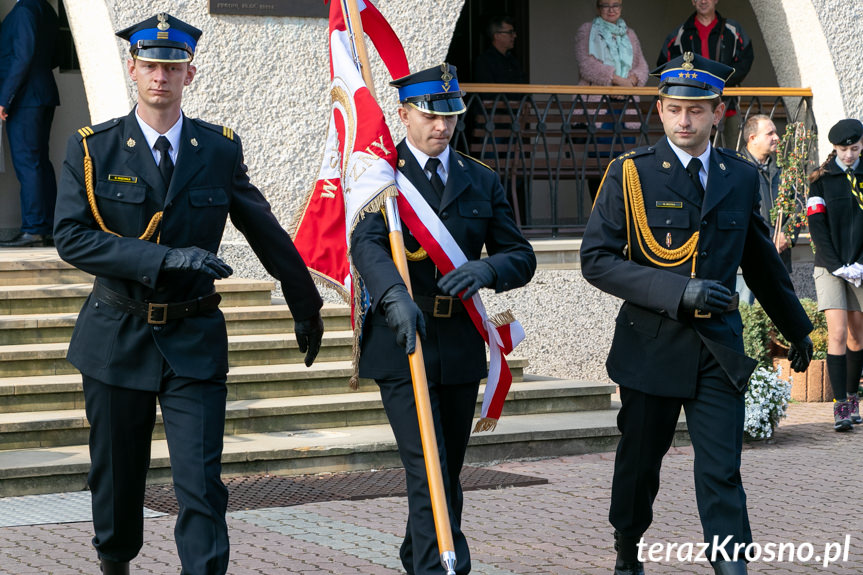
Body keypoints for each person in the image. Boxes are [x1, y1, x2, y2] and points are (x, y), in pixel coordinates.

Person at [53, 13, 325, 575]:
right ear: (132, 69)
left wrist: (306, 301)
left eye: (172, 67)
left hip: (193, 338)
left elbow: (265, 230)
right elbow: (72, 237)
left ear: (190, 74)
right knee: (116, 477)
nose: (160, 76)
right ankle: (115, 565)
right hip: (116, 335)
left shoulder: (217, 149)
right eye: (150, 64)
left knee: (201, 483)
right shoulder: (94, 149)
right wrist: (163, 257)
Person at [580, 52, 813, 575]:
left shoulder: (738, 176)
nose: (684, 120)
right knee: (640, 467)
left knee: (722, 473)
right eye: (673, 109)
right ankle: (627, 550)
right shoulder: (631, 175)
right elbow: (596, 261)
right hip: (651, 346)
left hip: (717, 351)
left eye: (696, 110)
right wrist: (678, 292)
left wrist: (796, 327)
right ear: (659, 110)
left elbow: (760, 263)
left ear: (718, 112)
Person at [350, 63, 536, 574]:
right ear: (404, 113)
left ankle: (419, 555)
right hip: (402, 336)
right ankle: (444, 566)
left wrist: (485, 268)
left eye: (451, 116)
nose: (442, 127)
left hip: (457, 341)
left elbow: (521, 256)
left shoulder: (481, 179)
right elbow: (364, 245)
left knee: (447, 466)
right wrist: (392, 296)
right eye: (430, 116)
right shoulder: (382, 177)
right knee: (424, 463)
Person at [806, 118, 863, 432]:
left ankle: (853, 397)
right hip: (829, 265)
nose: (850, 155)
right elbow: (817, 226)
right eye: (844, 149)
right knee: (838, 333)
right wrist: (837, 264)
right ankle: (840, 406)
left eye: (854, 148)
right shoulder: (822, 179)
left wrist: (860, 263)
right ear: (835, 148)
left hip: (862, 266)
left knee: (858, 335)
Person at [0, 0, 60, 247]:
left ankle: (35, 229)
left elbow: (22, 56)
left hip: (25, 98)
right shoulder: (45, 8)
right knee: (39, 163)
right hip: (41, 93)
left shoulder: (25, 9)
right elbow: (54, 56)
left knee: (28, 163)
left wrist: (5, 98)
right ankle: (46, 227)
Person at [656, 0, 754, 147]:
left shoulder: (732, 29)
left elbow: (746, 59)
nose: (703, 1)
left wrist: (720, 81)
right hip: (692, 106)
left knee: (733, 150)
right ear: (693, 2)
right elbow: (665, 66)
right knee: (692, 148)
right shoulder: (680, 33)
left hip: (729, 103)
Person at [736, 115, 796, 303]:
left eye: (775, 132)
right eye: (770, 133)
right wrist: (764, 240)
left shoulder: (784, 170)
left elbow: (798, 207)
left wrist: (786, 234)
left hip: (778, 260)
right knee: (748, 319)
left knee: (777, 325)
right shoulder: (735, 167)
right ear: (752, 138)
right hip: (747, 261)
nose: (776, 137)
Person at [574, 0, 648, 91]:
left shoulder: (630, 34)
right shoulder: (587, 30)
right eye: (605, 6)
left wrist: (630, 82)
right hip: (596, 98)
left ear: (620, 8)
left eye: (615, 5)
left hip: (627, 97)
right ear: (598, 9)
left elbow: (642, 66)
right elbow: (587, 65)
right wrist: (619, 81)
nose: (611, 10)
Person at [473, 15, 526, 84]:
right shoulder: (484, 61)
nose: (515, 36)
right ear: (497, 36)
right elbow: (487, 92)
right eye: (510, 32)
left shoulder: (513, 60)